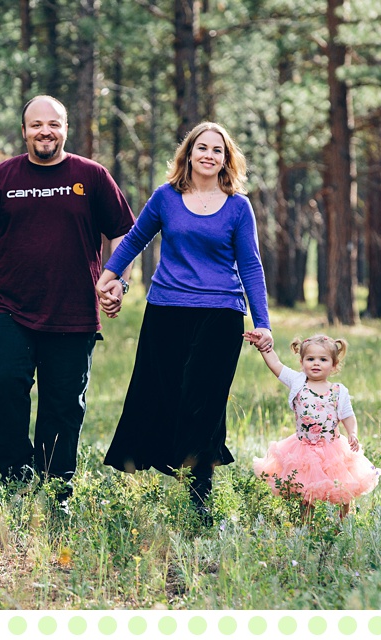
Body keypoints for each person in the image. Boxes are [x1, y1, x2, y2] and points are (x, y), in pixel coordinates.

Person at [0, 95, 135, 505]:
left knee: (64, 404)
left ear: (66, 128)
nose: (45, 131)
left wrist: (119, 280)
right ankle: (15, 473)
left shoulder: (92, 176)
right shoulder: (0, 178)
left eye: (54, 123)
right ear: (24, 130)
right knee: (6, 384)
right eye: (36, 124)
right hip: (10, 307)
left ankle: (56, 487)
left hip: (75, 310)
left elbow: (124, 233)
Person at [96, 121, 273, 518]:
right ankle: (168, 467)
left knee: (204, 402)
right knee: (159, 393)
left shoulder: (238, 206)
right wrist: (107, 278)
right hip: (166, 311)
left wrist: (262, 322)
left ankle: (200, 496)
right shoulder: (166, 198)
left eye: (218, 150)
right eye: (202, 148)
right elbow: (136, 239)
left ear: (226, 160)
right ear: (188, 154)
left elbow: (251, 265)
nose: (209, 155)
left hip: (221, 313)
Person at [242, 332, 381, 520]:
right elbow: (276, 365)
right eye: (310, 359)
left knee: (342, 485)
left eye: (323, 359)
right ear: (301, 362)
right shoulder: (298, 382)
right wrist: (263, 347)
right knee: (305, 488)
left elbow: (348, 416)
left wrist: (352, 433)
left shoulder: (338, 391)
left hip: (332, 448)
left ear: (333, 365)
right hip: (303, 448)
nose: (316, 363)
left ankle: (344, 521)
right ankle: (306, 523)